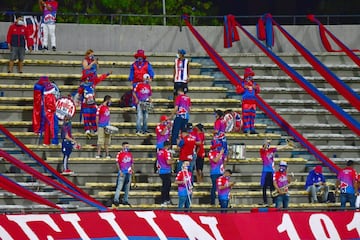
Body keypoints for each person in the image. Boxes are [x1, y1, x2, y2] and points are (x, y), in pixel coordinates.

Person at [259, 139, 290, 206]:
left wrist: (287, 145)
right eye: (266, 145)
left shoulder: (271, 150)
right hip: (265, 171)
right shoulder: (262, 151)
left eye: (268, 145)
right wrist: (266, 142)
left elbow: (279, 147)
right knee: (264, 187)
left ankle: (273, 201)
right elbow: (264, 147)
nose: (267, 146)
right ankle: (265, 202)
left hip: (272, 171)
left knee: (272, 187)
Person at [236, 67, 260, 134]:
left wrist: (255, 87)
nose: (250, 78)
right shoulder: (243, 84)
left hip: (253, 103)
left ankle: (252, 129)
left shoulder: (254, 84)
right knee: (246, 116)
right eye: (249, 76)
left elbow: (258, 90)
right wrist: (244, 87)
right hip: (246, 103)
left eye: (251, 76)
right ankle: (246, 129)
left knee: (252, 116)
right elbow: (238, 90)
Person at [113, 142, 134, 207]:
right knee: (119, 187)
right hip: (122, 172)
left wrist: (132, 170)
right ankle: (116, 200)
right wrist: (120, 171)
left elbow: (132, 163)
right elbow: (117, 163)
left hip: (129, 172)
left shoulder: (130, 154)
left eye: (127, 146)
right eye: (125, 146)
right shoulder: (120, 154)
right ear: (122, 146)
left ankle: (125, 200)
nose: (126, 147)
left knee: (127, 187)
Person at [157, 141, 174, 206]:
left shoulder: (159, 152)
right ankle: (164, 200)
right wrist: (173, 160)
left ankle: (166, 199)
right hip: (166, 171)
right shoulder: (167, 152)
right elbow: (168, 162)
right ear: (168, 146)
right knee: (166, 187)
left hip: (161, 171)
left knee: (165, 186)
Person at [209, 139, 225, 206]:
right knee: (214, 187)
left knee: (221, 188)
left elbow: (223, 162)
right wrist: (220, 154)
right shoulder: (211, 153)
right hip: (214, 173)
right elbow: (215, 160)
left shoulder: (220, 153)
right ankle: (212, 201)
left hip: (221, 172)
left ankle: (221, 201)